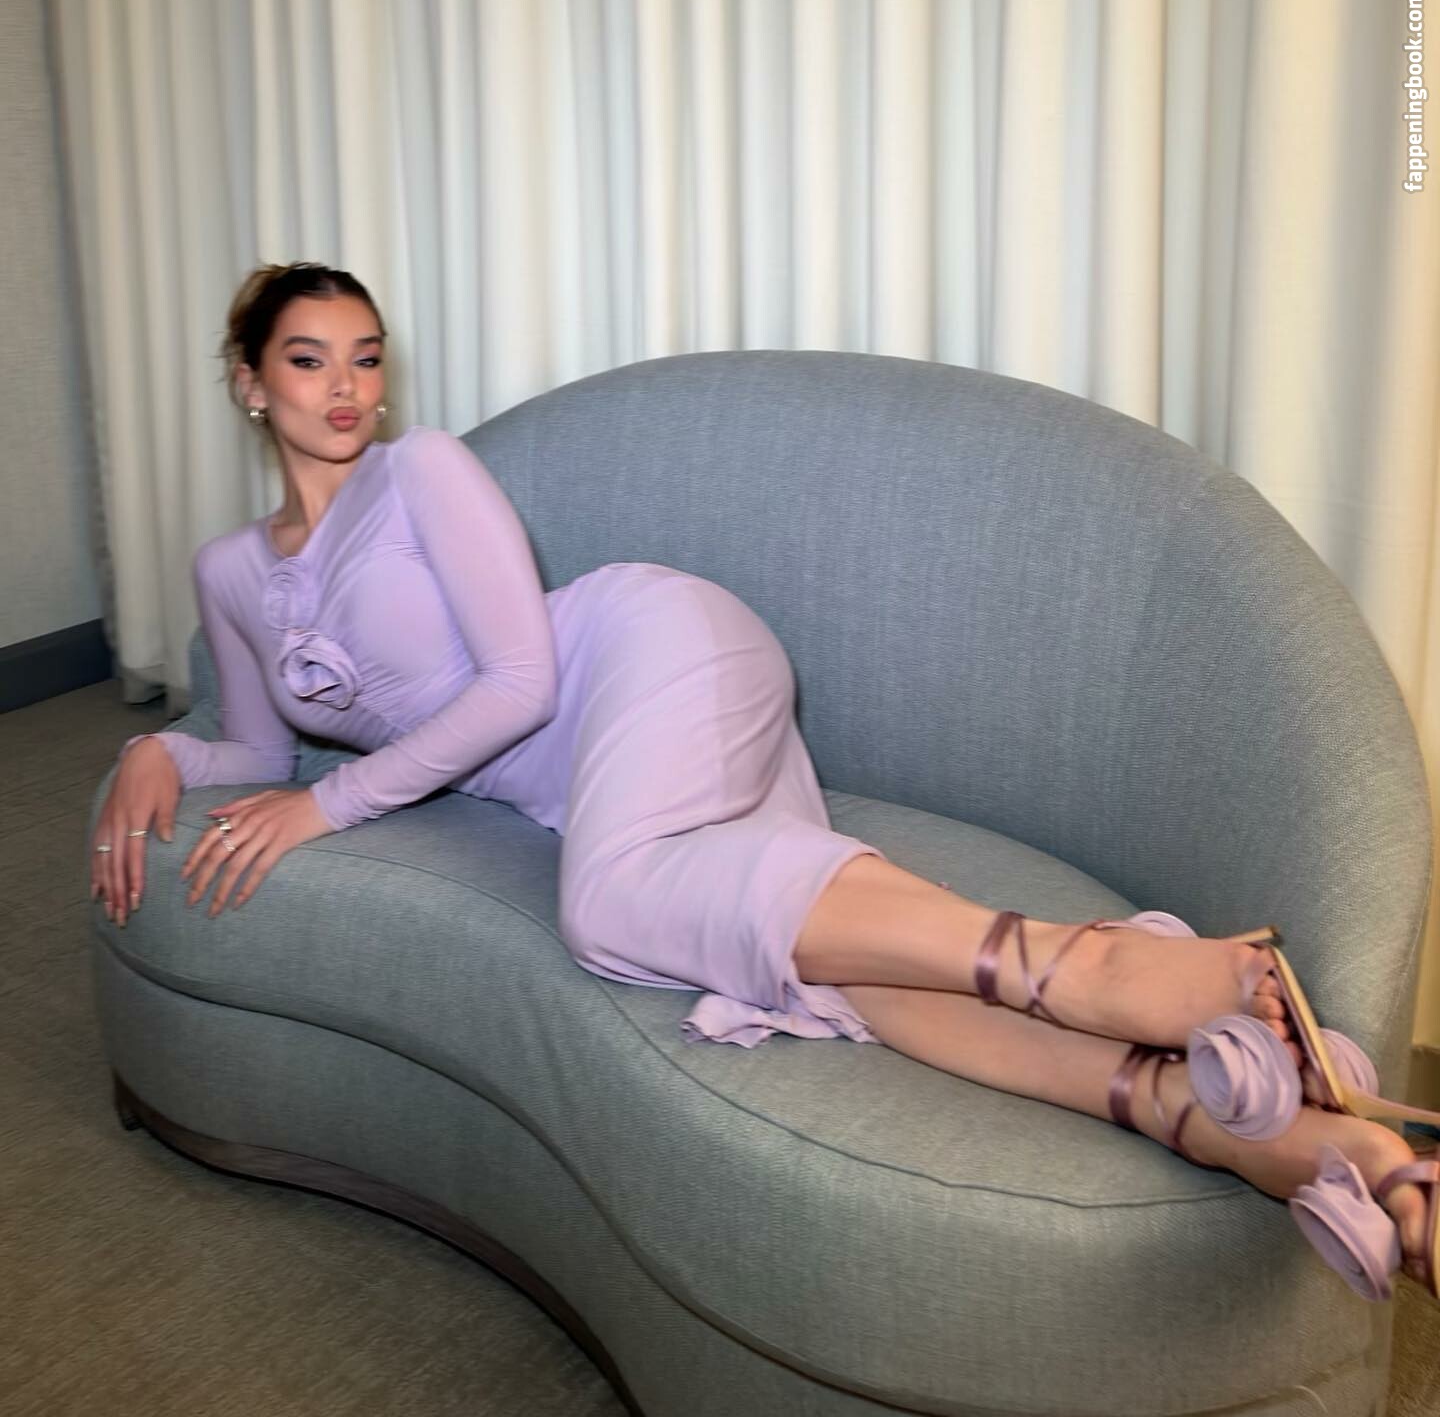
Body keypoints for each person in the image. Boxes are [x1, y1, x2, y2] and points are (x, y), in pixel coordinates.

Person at [90, 262, 1436, 1301]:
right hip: (605, 779)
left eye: (365, 357)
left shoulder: (422, 472)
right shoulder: (230, 572)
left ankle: (1091, 964)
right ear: (250, 383)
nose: (345, 387)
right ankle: (1288, 1138)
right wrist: (159, 751)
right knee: (843, 982)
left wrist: (327, 805)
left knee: (605, 906)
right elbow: (252, 747)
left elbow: (520, 682)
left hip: (648, 657)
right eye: (309, 360)